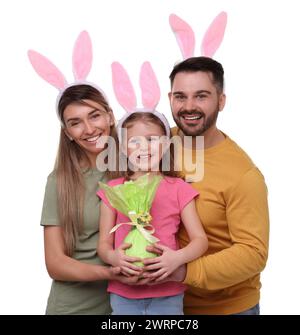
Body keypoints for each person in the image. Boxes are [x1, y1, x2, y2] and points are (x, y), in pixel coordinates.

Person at [144, 56, 269, 315]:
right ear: (169, 98)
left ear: (221, 100)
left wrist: (183, 271)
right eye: (180, 96)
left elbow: (253, 253)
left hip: (224, 308)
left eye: (201, 96)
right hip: (157, 303)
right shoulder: (155, 145)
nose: (189, 107)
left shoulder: (243, 175)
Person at [97, 111, 208, 315]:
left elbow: (200, 240)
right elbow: (103, 245)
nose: (145, 148)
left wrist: (177, 258)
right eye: (134, 142)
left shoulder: (178, 188)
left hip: (168, 293)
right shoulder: (113, 191)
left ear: (165, 145)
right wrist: (114, 257)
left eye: (152, 140)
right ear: (122, 148)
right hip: (123, 294)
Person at [40, 84, 137, 314]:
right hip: (75, 307)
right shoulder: (60, 181)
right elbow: (55, 263)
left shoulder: (139, 167)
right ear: (67, 133)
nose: (89, 129)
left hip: (133, 304)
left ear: (110, 117)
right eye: (75, 123)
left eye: (94, 116)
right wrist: (111, 274)